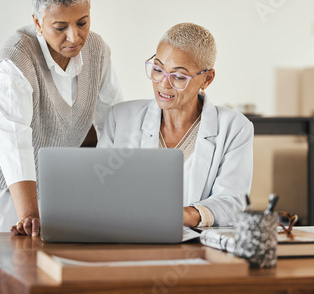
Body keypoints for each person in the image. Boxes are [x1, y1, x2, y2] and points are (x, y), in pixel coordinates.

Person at [0, 0, 122, 292]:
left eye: (82, 22)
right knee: (3, 286)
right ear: (38, 21)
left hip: (45, 187)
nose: (75, 37)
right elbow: (14, 140)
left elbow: (109, 121)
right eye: (60, 27)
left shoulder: (98, 51)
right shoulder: (15, 59)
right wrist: (29, 214)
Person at [98, 23, 253, 227]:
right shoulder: (120, 118)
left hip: (198, 247)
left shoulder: (234, 128)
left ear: (207, 79)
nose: (163, 83)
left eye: (179, 76)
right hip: (129, 240)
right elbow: (100, 189)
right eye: (158, 69)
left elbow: (232, 202)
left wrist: (184, 215)